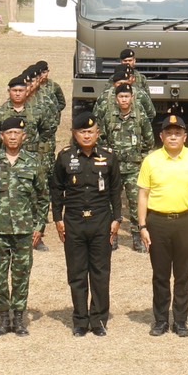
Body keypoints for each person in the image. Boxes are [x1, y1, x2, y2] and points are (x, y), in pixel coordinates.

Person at [0, 115, 49, 336]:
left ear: (24, 137)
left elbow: (44, 197)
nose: (13, 137)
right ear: (1, 137)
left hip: (25, 231)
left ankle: (18, 319)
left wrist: (39, 226)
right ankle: (4, 318)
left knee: (21, 275)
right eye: (9, 133)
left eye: (17, 133)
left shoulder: (34, 162)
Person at [137, 113, 188, 337]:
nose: (173, 137)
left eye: (178, 133)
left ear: (185, 137)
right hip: (157, 222)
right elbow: (143, 195)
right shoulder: (151, 160)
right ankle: (160, 320)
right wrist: (142, 226)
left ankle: (180, 320)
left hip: (186, 222)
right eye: (169, 133)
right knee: (160, 275)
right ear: (161, 136)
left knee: (183, 274)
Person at [51, 111, 121, 336]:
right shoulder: (64, 156)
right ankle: (80, 320)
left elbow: (115, 191)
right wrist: (57, 218)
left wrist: (117, 219)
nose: (87, 135)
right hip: (74, 221)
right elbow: (56, 189)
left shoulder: (109, 156)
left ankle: (98, 320)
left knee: (100, 272)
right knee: (77, 273)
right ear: (74, 134)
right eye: (82, 132)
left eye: (90, 132)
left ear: (97, 133)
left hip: (101, 220)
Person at [103, 83, 154, 252]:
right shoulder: (109, 117)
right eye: (121, 96)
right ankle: (112, 236)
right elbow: (101, 139)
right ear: (116, 99)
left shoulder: (140, 117)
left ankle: (137, 236)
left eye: (127, 96)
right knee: (111, 203)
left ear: (132, 97)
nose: (124, 99)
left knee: (135, 203)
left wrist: (138, 157)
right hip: (114, 169)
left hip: (134, 169)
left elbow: (149, 141)